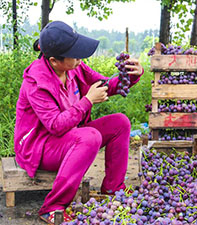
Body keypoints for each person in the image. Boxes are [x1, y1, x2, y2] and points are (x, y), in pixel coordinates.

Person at [14, 21, 144, 224]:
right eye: (74, 55)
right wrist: (87, 101)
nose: (80, 59)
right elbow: (55, 125)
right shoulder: (36, 83)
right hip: (40, 147)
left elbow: (105, 86)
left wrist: (130, 76)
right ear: (54, 61)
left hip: (69, 135)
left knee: (121, 122)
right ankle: (52, 207)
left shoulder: (75, 67)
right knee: (89, 137)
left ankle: (113, 189)